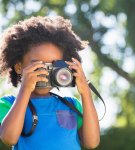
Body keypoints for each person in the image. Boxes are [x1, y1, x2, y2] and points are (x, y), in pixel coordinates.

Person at [0, 16, 100, 150]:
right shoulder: (9, 104)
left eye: (54, 65)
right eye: (39, 65)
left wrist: (85, 93)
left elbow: (91, 143)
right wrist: (25, 89)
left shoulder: (71, 105)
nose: (46, 72)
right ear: (19, 67)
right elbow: (9, 138)